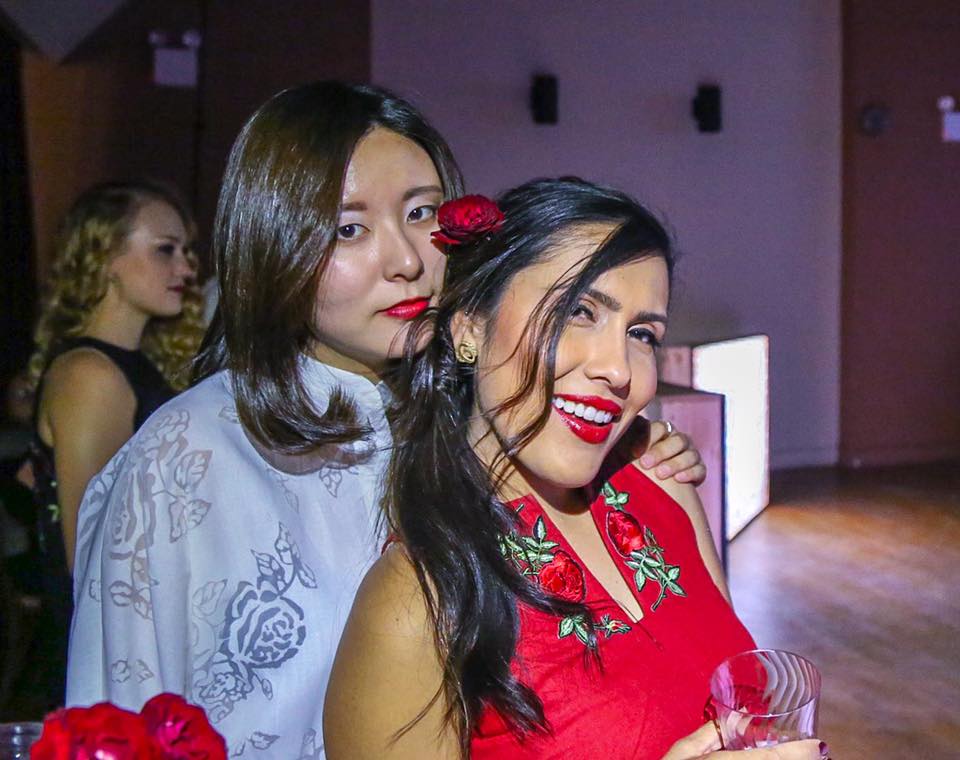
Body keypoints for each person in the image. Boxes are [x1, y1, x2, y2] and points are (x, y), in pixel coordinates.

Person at [67, 83, 704, 757]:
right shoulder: (189, 455)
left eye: (421, 213)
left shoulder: (476, 416)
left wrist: (631, 449)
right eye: (350, 228)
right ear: (273, 239)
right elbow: (120, 711)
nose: (407, 261)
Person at [323, 181, 824, 759]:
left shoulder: (663, 483)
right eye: (577, 311)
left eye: (642, 334)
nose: (619, 369)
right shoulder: (415, 605)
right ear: (469, 328)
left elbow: (739, 702)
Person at [22, 180, 203, 710]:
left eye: (187, 251)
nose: (186, 268)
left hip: (136, 643)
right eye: (165, 249)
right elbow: (93, 549)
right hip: (108, 661)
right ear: (105, 256)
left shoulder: (133, 368)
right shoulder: (90, 374)